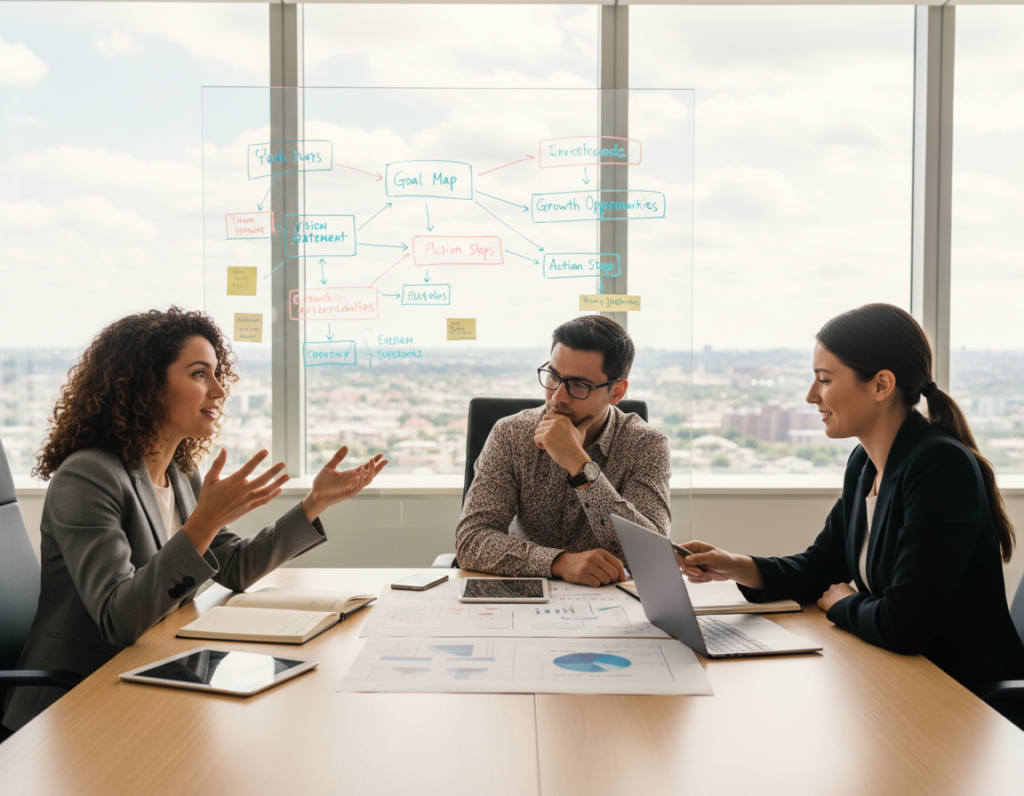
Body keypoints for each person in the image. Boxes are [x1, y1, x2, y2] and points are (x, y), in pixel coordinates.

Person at [2, 308, 387, 731]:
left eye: (218, 374)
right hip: (73, 701)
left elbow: (235, 567)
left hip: (148, 674)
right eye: (200, 373)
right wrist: (202, 524)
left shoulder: (181, 475)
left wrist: (313, 504)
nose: (219, 391)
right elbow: (119, 618)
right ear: (146, 385)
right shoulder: (88, 476)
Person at [677, 304, 1024, 705]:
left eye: (824, 380)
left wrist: (844, 602)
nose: (811, 396)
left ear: (881, 385)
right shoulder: (865, 463)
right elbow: (821, 566)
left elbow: (905, 624)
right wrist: (737, 566)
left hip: (962, 695)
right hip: (901, 677)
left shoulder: (940, 467)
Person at [455, 315, 671, 586]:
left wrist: (580, 466)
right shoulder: (511, 434)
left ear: (616, 392)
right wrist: (560, 562)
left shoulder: (646, 444)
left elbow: (653, 557)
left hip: (609, 601)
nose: (557, 396)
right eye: (554, 376)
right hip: (523, 594)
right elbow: (471, 541)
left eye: (578, 385)